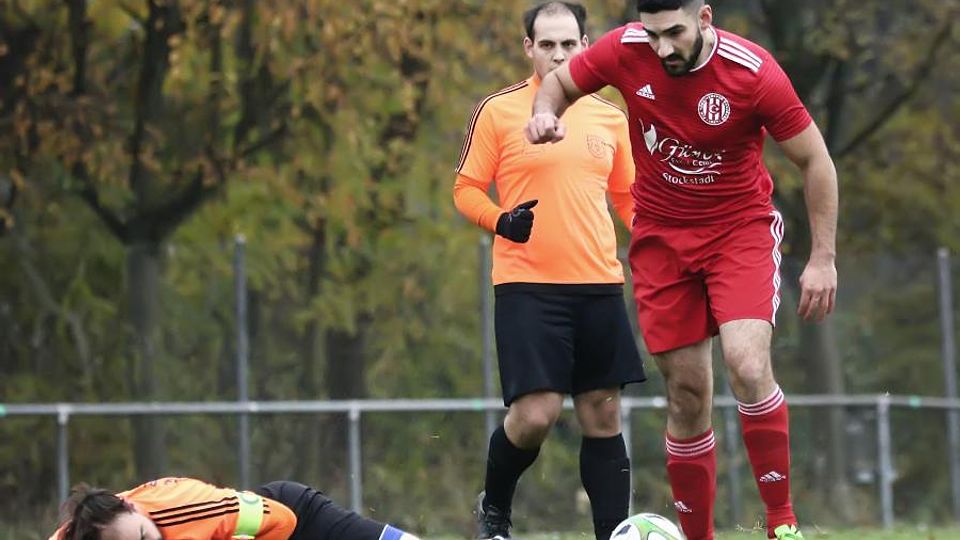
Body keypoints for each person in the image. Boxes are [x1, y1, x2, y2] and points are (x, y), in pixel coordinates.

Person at [525, 1, 838, 540]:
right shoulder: (625, 49)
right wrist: (544, 113)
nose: (663, 47)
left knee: (746, 363)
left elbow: (816, 161)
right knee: (687, 394)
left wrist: (823, 258)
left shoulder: (752, 72)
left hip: (738, 232)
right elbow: (559, 84)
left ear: (705, 18)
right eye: (653, 35)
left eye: (675, 32)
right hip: (662, 243)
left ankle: (782, 524)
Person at [453, 2, 646, 540]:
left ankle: (613, 533)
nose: (558, 55)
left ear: (585, 45)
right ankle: (495, 508)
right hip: (528, 287)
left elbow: (628, 197)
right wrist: (501, 221)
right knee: (536, 415)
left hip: (599, 285)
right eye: (546, 45)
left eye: (568, 44)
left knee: (602, 416)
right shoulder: (498, 111)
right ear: (528, 48)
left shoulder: (610, 116)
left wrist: (656, 241)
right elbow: (466, 189)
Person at [48, 476, 419, 540]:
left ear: (129, 505)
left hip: (293, 520)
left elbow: (282, 520)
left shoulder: (191, 512)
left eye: (145, 537)